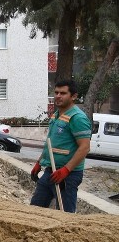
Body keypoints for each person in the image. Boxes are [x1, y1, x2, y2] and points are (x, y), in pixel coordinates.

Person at [30, 79, 92, 213]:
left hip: (68, 176)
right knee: (34, 210)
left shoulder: (77, 118)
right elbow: (50, 144)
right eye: (56, 92)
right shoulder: (56, 115)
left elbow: (85, 147)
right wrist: (39, 163)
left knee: (65, 215)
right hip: (50, 171)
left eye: (63, 93)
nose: (58, 96)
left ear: (73, 96)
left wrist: (66, 170)